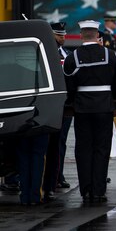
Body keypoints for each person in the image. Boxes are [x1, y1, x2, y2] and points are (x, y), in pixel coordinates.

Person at [63, 20, 116, 203]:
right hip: (104, 106)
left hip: (82, 108)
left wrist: (75, 101)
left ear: (81, 35)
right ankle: (98, 190)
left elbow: (69, 86)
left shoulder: (72, 57)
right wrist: (108, 97)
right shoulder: (111, 55)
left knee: (83, 149)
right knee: (101, 148)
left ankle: (86, 190)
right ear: (98, 35)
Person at [42, 22, 72, 201]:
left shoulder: (65, 53)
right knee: (52, 144)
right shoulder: (49, 52)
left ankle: (58, 175)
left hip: (64, 105)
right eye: (59, 35)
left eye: (64, 35)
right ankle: (51, 178)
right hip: (52, 105)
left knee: (61, 142)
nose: (63, 38)